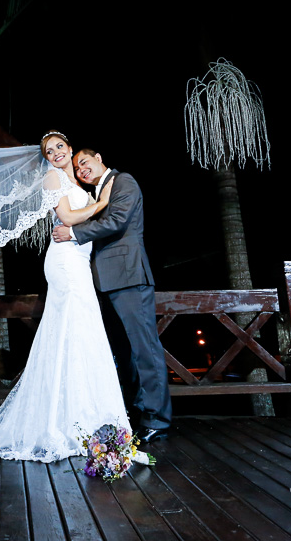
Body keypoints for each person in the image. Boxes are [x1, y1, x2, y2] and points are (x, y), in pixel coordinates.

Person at [0, 131, 130, 462]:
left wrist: (94, 203)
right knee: (73, 329)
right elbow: (66, 218)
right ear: (47, 158)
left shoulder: (77, 184)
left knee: (80, 333)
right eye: (49, 151)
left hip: (78, 261)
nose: (56, 154)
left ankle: (82, 419)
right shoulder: (53, 179)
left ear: (70, 148)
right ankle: (61, 424)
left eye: (59, 148)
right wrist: (103, 203)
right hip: (65, 263)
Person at [53, 149, 172, 442]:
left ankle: (157, 418)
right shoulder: (98, 192)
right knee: (123, 353)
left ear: (98, 157)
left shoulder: (123, 181)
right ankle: (133, 410)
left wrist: (73, 233)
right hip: (104, 282)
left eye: (85, 163)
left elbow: (117, 221)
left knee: (144, 347)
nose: (82, 170)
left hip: (129, 276)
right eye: (78, 169)